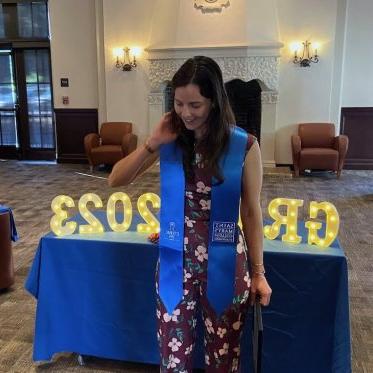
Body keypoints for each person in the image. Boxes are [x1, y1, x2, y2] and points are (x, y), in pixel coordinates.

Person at [108, 56, 272, 373]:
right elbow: (116, 179)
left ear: (214, 101)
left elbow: (251, 212)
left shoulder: (244, 146)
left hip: (226, 262)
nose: (186, 113)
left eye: (195, 105)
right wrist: (151, 143)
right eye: (179, 104)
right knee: (173, 357)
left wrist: (259, 272)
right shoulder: (170, 143)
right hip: (175, 261)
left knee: (223, 357)